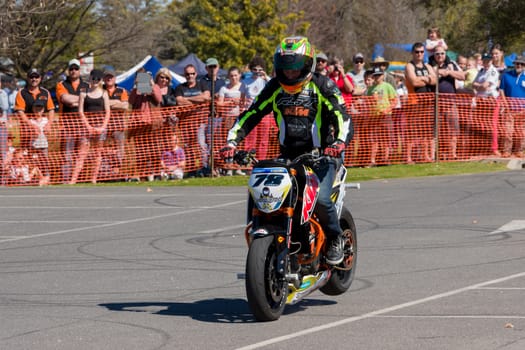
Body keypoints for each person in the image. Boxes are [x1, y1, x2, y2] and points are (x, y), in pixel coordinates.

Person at [221, 36, 353, 265]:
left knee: (321, 198)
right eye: (285, 68)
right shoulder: (274, 87)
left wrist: (339, 143)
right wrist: (232, 142)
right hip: (288, 158)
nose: (290, 74)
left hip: (321, 156)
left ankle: (334, 239)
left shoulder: (323, 85)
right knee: (261, 189)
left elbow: (342, 116)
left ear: (308, 65)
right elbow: (252, 114)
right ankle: (260, 232)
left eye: (295, 68)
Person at [71, 69, 111, 184]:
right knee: (82, 153)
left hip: (100, 126)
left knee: (98, 153)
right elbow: (80, 111)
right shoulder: (83, 92)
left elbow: (107, 112)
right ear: (90, 78)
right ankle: (74, 179)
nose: (95, 81)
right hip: (86, 127)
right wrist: (87, 126)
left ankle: (94, 178)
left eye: (98, 79)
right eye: (93, 78)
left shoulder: (104, 93)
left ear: (101, 80)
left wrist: (103, 127)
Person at [56, 59, 90, 183]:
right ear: (68, 70)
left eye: (76, 68)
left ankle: (77, 180)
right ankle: (66, 180)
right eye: (71, 69)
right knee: (67, 155)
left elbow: (91, 100)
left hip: (83, 126)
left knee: (81, 155)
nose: (73, 71)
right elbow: (66, 100)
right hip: (67, 126)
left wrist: (78, 101)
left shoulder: (87, 85)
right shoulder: (61, 84)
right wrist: (83, 99)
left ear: (80, 70)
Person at [175, 64, 211, 176]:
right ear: (184, 75)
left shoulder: (202, 84)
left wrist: (188, 99)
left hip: (200, 121)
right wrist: (197, 100)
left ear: (195, 74)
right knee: (188, 146)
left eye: (192, 73)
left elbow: (205, 97)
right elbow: (179, 101)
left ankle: (204, 167)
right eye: (187, 74)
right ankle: (191, 169)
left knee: (201, 144)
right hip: (185, 122)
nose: (190, 76)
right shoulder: (180, 87)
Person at [404, 42, 437, 163]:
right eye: (417, 52)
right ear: (413, 53)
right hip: (414, 102)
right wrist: (427, 79)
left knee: (427, 131)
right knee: (412, 131)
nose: (419, 54)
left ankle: (426, 155)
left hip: (427, 103)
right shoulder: (409, 66)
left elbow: (435, 80)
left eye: (422, 52)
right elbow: (414, 82)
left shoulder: (427, 66)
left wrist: (424, 79)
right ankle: (408, 157)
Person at [128, 69, 163, 181]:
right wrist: (136, 85)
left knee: (154, 150)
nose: (143, 79)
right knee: (140, 152)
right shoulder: (135, 90)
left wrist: (151, 84)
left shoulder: (155, 87)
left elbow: (158, 99)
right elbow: (131, 101)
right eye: (140, 77)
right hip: (139, 125)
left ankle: (155, 174)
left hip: (153, 125)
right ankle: (143, 175)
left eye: (144, 77)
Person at [433, 47, 466, 159]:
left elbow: (463, 76)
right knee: (439, 130)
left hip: (451, 103)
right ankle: (441, 153)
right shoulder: (430, 64)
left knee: (453, 129)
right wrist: (438, 72)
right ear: (434, 55)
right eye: (437, 54)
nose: (440, 56)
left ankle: (452, 153)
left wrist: (449, 72)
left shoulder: (451, 64)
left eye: (442, 53)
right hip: (436, 103)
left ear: (445, 54)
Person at [14, 69, 55, 151]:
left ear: (40, 78)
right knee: (27, 156)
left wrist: (49, 124)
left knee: (43, 155)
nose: (34, 79)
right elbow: (20, 112)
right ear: (28, 78)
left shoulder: (45, 92)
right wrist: (31, 125)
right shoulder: (21, 93)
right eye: (31, 77)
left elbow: (51, 109)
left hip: (42, 129)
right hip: (27, 131)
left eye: (36, 77)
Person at [218, 66, 248, 176]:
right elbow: (219, 103)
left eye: (235, 75)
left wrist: (240, 103)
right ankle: (229, 168)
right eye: (231, 76)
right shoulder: (224, 88)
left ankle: (239, 168)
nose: (233, 78)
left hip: (239, 117)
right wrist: (230, 102)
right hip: (228, 118)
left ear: (239, 75)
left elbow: (245, 102)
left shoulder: (243, 87)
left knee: (239, 143)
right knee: (229, 144)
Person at [241, 56, 273, 161]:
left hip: (264, 114)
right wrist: (243, 109)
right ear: (251, 69)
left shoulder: (266, 81)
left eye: (260, 70)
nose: (257, 72)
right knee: (250, 139)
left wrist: (266, 77)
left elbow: (275, 86)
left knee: (263, 140)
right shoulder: (245, 81)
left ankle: (261, 161)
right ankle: (249, 163)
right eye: (255, 69)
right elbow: (242, 99)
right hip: (251, 113)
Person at [366, 66, 397, 166]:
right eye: (375, 76)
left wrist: (388, 109)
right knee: (374, 140)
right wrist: (371, 100)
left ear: (383, 76)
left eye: (379, 75)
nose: (377, 77)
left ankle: (385, 159)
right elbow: (367, 102)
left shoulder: (387, 86)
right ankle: (372, 160)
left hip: (386, 117)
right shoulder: (371, 89)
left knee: (386, 139)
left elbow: (395, 100)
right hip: (374, 117)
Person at [472, 53, 500, 156]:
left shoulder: (493, 71)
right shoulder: (481, 71)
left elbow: (485, 86)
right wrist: (480, 86)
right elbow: (473, 84)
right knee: (481, 124)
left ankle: (494, 148)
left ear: (491, 61)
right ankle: (482, 148)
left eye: (488, 60)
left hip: (490, 100)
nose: (486, 62)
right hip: (481, 100)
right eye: (484, 60)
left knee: (492, 125)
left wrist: (479, 86)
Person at [103, 68, 129, 175]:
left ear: (115, 78)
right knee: (105, 150)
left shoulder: (121, 90)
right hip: (103, 126)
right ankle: (105, 172)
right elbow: (99, 105)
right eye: (107, 76)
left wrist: (107, 103)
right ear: (104, 78)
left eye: (111, 76)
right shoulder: (99, 90)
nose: (109, 78)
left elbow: (125, 106)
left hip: (118, 126)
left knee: (119, 150)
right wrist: (116, 102)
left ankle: (118, 171)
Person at [499, 55, 525, 158]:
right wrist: (506, 105)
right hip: (509, 109)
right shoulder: (506, 75)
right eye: (517, 63)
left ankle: (519, 150)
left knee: (521, 132)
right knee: (508, 131)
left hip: (522, 110)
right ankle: (507, 151)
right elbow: (501, 90)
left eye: (521, 64)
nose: (519, 65)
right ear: (514, 64)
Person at [27, 98, 51, 186]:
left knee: (45, 162)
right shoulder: (30, 121)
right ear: (33, 109)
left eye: (40, 109)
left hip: (44, 145)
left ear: (43, 110)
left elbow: (49, 131)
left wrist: (47, 131)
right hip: (34, 146)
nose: (38, 111)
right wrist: (33, 131)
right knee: (35, 162)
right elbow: (28, 133)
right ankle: (37, 179)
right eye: (36, 108)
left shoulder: (46, 120)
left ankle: (47, 178)